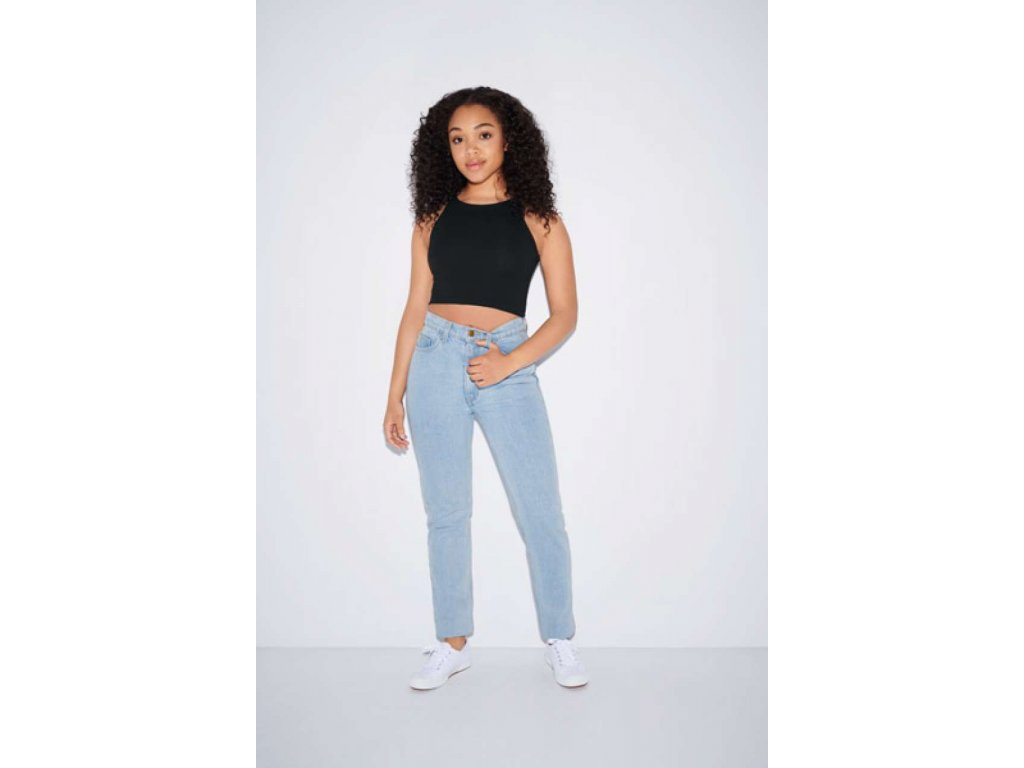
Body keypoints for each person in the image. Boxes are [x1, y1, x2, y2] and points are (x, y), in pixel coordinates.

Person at [384, 87, 588, 691]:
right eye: (457, 138)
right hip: (433, 360)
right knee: (446, 512)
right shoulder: (432, 219)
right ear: (442, 149)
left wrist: (509, 363)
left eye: (483, 134)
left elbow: (566, 314)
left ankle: (560, 639)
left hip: (507, 361)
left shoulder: (540, 219)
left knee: (540, 510)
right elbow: (414, 309)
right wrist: (394, 394)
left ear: (508, 140)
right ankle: (452, 644)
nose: (470, 149)